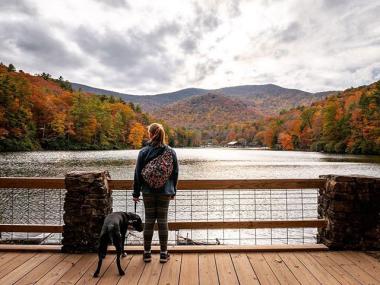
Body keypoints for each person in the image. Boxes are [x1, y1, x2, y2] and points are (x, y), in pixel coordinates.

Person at [132, 123, 179, 263]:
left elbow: (137, 174)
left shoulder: (143, 152)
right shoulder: (171, 152)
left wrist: (136, 193)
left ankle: (147, 254)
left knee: (149, 221)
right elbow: (175, 173)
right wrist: (173, 190)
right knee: (163, 221)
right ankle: (164, 254)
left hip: (148, 192)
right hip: (165, 192)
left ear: (151, 134)